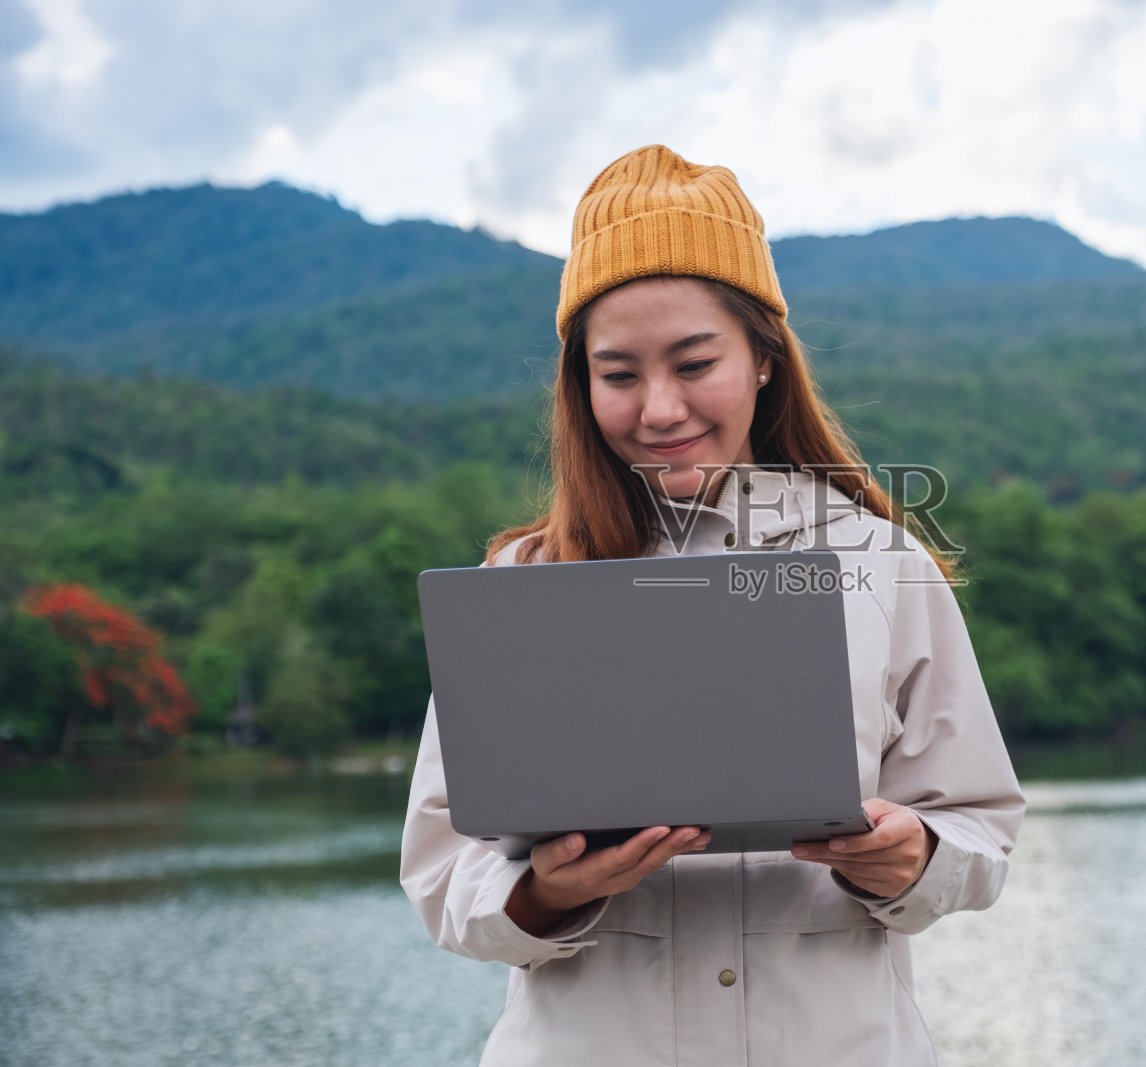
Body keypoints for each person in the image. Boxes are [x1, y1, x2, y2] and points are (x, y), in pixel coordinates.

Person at [400, 144, 1025, 1066]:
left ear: (765, 358)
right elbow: (442, 869)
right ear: (581, 384)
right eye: (619, 374)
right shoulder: (519, 582)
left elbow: (980, 830)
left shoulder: (878, 562)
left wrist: (914, 856)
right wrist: (548, 894)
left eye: (695, 363)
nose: (659, 409)